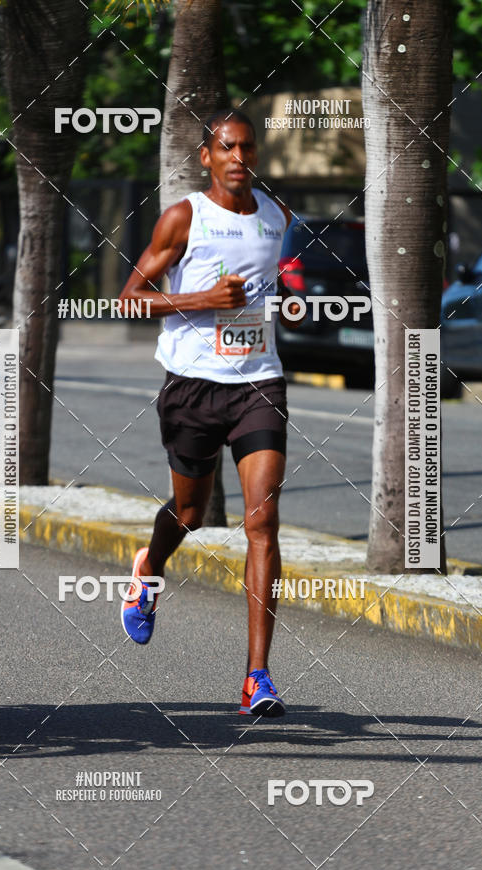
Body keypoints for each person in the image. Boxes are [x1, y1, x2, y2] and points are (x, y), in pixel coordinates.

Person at [119, 109, 299, 718]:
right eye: (228, 147)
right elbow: (130, 299)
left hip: (259, 384)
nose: (239, 157)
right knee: (191, 512)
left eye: (248, 147)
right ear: (207, 155)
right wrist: (202, 299)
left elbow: (273, 285)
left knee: (262, 522)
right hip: (193, 387)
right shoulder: (185, 217)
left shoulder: (278, 217)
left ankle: (257, 677)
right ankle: (149, 567)